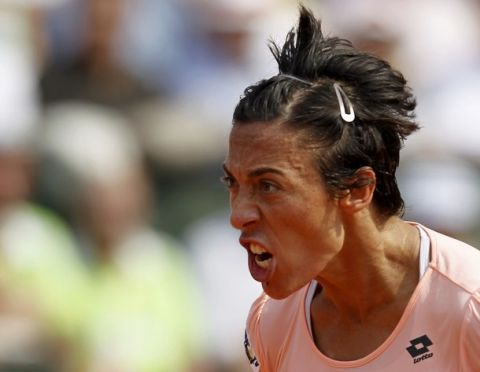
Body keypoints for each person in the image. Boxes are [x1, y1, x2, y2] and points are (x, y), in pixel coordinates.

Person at [221, 6, 480, 371]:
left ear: (358, 189)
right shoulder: (271, 322)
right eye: (233, 184)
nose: (238, 215)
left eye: (268, 186)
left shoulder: (470, 304)